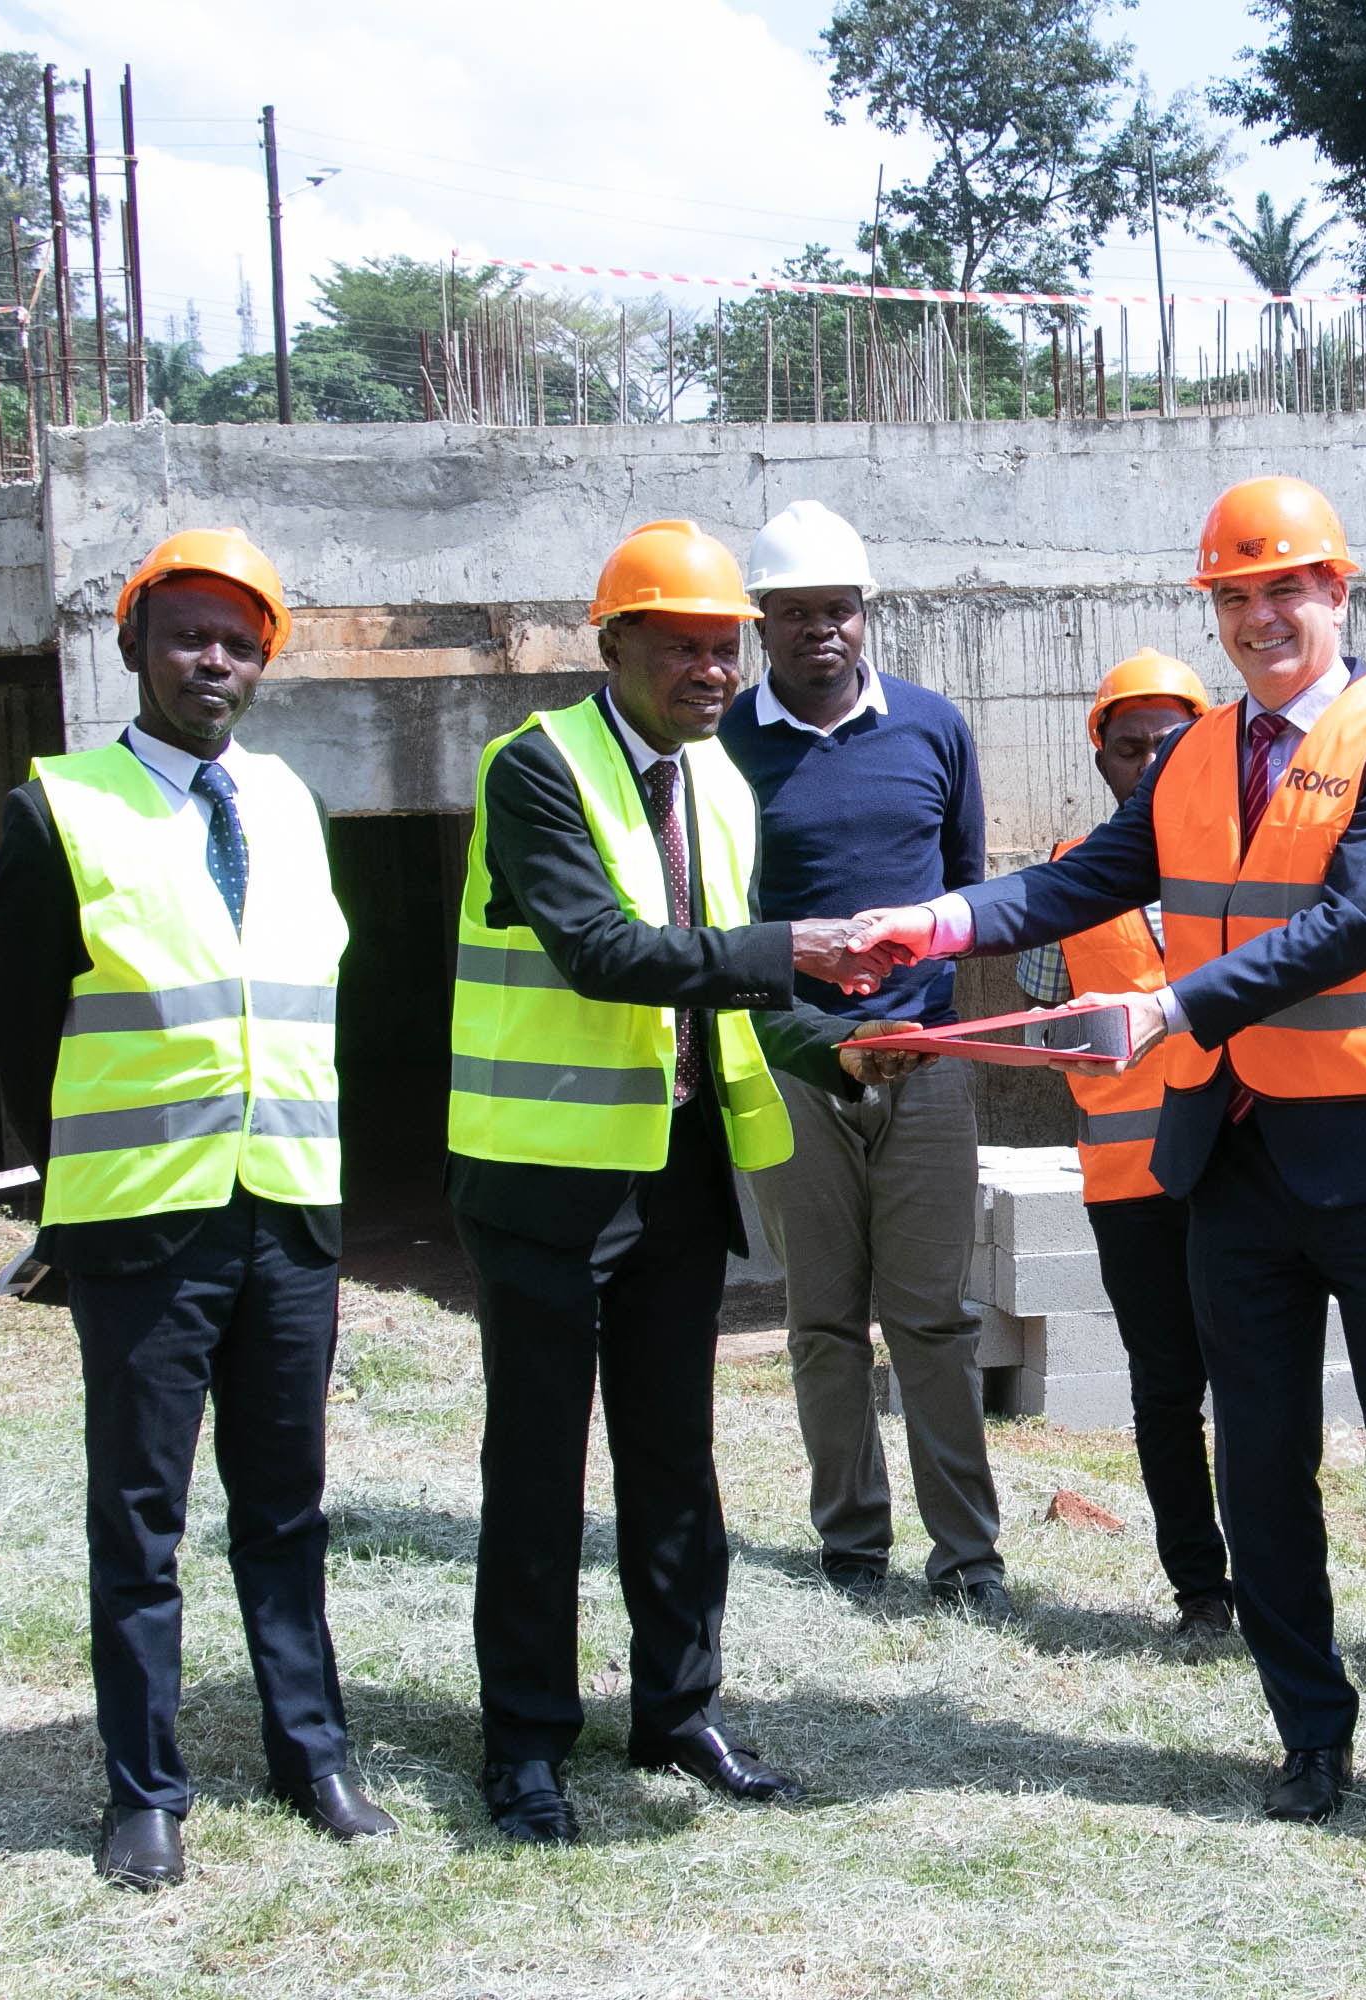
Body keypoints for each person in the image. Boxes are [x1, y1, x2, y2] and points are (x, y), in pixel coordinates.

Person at [846, 478, 1366, 1829]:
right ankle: (1306, 1733)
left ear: (1337, 596)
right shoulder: (1196, 753)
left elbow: (1357, 920)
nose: (1259, 619)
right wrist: (938, 922)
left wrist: (1175, 1003)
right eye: (1234, 598)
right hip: (1234, 1159)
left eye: (1284, 592)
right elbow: (1076, 880)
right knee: (1256, 1463)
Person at [448, 519, 913, 1844]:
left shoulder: (716, 783)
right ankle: (526, 1744)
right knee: (537, 1469)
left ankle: (675, 1709)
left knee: (673, 1462)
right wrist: (792, 950)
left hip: (673, 1185)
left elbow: (720, 983)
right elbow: (605, 952)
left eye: (727, 646)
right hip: (542, 1180)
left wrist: (838, 1049)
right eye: (684, 646)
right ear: (615, 644)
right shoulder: (531, 770)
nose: (713, 669)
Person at [0, 529, 396, 1888]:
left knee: (286, 1505)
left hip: (285, 1209)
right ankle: (143, 1790)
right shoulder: (63, 806)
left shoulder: (287, 804)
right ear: (134, 649)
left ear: (262, 658)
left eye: (234, 638)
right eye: (183, 636)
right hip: (143, 1224)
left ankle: (311, 1752)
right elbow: (21, 1031)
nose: (209, 659)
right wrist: (69, 1198)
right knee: (139, 1518)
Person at [718, 499, 1008, 1618]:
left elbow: (969, 888)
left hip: (923, 1060)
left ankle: (968, 1558)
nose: (819, 630)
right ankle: (851, 1542)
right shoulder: (725, 747)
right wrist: (814, 1035)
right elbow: (721, 921)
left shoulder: (933, 728)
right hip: (794, 1063)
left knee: (932, 1314)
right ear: (762, 624)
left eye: (837, 608)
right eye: (793, 613)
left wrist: (907, 1027)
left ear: (865, 612)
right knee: (823, 1315)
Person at [1013, 649, 1234, 1639]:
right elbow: (1039, 1017)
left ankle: (1276, 1577)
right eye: (1129, 745)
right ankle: (1202, 1591)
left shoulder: (1246, 862)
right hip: (1130, 1180)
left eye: (1169, 742)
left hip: (1241, 1171)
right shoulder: (1068, 879)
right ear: (1100, 755)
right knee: (1166, 1386)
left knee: (1257, 1384)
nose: (1149, 761)